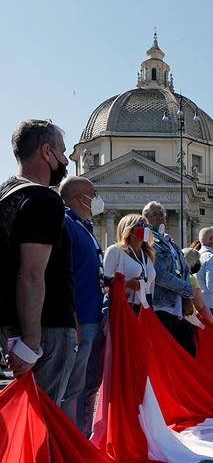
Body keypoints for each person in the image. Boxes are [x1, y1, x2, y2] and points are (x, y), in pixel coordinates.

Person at [0, 119, 76, 404]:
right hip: (45, 329)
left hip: (11, 326)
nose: (66, 160)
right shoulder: (43, 199)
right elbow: (30, 274)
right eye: (63, 152)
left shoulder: (4, 196)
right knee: (43, 421)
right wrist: (31, 343)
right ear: (47, 152)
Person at [58, 177, 105, 435]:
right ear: (79, 197)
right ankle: (71, 441)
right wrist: (72, 317)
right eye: (93, 193)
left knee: (88, 384)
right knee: (73, 387)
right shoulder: (66, 225)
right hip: (80, 319)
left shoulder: (84, 226)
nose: (97, 198)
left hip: (92, 316)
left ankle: (83, 437)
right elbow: (63, 275)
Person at [142, 202, 194, 354]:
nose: (160, 218)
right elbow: (161, 275)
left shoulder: (169, 241)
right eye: (154, 215)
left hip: (178, 307)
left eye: (161, 214)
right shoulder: (149, 241)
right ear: (146, 219)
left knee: (187, 352)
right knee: (167, 353)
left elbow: (184, 269)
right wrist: (188, 289)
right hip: (162, 306)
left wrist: (186, 297)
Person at [103, 214, 156, 310]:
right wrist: (127, 284)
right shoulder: (115, 251)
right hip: (123, 308)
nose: (145, 228)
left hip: (143, 309)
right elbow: (105, 284)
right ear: (130, 229)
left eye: (147, 225)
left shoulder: (147, 255)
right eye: (141, 225)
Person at [181, 248, 213, 331]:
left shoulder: (178, 276)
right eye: (198, 261)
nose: (199, 264)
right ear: (192, 262)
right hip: (189, 322)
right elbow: (201, 307)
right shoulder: (191, 279)